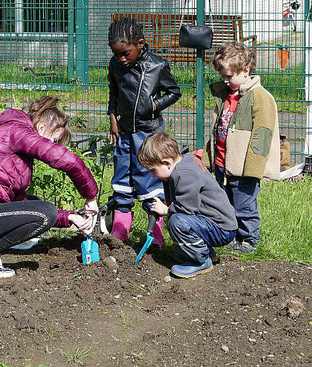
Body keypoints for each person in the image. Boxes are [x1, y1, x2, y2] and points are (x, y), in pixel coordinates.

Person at [0, 96, 98, 279]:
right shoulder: (19, 132)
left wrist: (70, 217)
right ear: (42, 128)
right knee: (45, 212)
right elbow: (67, 160)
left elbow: (18, 203)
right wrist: (90, 197)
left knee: (35, 204)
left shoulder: (12, 138)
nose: (52, 145)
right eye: (54, 139)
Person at [106, 17, 181, 245]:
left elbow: (174, 92)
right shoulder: (116, 65)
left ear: (140, 43)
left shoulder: (157, 66)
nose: (121, 58)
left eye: (126, 53)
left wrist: (154, 105)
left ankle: (155, 231)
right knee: (121, 176)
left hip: (149, 135)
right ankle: (120, 228)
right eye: (117, 53)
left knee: (149, 178)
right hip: (124, 132)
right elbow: (114, 91)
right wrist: (112, 118)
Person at [203, 42, 280, 253]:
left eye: (229, 76)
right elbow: (217, 129)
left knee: (244, 205)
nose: (225, 81)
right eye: (223, 77)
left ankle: (249, 239)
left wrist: (254, 169)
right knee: (225, 204)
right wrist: (208, 158)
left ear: (245, 70)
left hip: (244, 167)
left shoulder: (260, 98)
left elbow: (262, 135)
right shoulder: (225, 96)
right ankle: (230, 236)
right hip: (222, 163)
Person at [139, 132, 237, 278]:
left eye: (153, 170)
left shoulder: (185, 173)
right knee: (178, 218)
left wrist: (166, 209)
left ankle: (200, 261)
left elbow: (186, 208)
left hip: (221, 229)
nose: (152, 175)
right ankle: (206, 252)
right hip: (218, 222)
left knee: (177, 221)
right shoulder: (184, 163)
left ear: (167, 163)